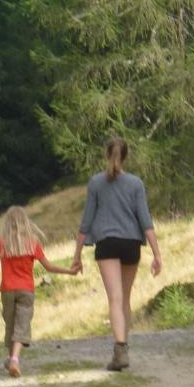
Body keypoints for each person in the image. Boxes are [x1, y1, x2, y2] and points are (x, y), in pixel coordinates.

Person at [0, 206, 79, 378]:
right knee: (22, 325)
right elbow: (48, 266)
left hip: (7, 290)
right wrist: (70, 271)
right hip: (26, 290)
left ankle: (10, 357)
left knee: (10, 324)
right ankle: (14, 359)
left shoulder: (3, 243)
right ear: (25, 223)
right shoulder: (32, 244)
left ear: (7, 224)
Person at [72, 137, 162, 371]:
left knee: (115, 297)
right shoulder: (135, 184)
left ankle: (119, 349)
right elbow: (146, 221)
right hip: (131, 243)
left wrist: (77, 254)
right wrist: (157, 254)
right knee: (125, 298)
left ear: (106, 155)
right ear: (126, 156)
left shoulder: (95, 184)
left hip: (107, 244)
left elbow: (86, 222)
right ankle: (124, 345)